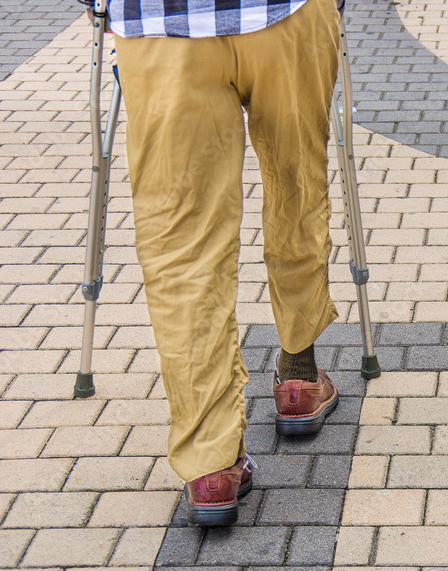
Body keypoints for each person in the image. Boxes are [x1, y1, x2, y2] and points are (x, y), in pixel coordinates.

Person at [99, 0, 342, 526]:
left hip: (161, 29)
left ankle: (211, 462)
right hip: (285, 15)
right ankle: (298, 377)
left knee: (182, 247)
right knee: (296, 188)